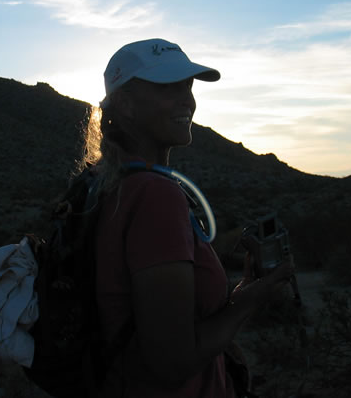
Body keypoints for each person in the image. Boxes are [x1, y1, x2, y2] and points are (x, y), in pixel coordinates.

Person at [80, 38, 295, 397]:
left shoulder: (105, 185)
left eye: (188, 85)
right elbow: (172, 363)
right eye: (168, 86)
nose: (188, 100)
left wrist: (242, 292)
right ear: (127, 106)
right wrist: (254, 298)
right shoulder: (155, 196)